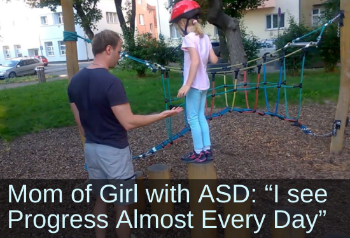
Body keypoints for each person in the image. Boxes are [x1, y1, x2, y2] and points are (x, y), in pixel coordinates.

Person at [67, 29, 183, 238]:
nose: (119, 57)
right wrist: (162, 115)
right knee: (122, 206)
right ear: (108, 49)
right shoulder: (111, 82)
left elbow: (79, 122)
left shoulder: (74, 81)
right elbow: (128, 122)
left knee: (101, 199)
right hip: (114, 152)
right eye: (119, 51)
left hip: (92, 149)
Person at [169, 0, 218, 163]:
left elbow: (195, 61)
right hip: (204, 84)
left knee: (192, 118)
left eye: (177, 26)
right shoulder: (205, 37)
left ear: (183, 22)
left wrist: (187, 84)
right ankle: (206, 150)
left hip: (195, 85)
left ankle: (198, 152)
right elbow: (214, 59)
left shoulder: (189, 38)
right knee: (201, 117)